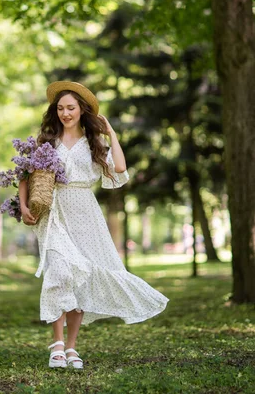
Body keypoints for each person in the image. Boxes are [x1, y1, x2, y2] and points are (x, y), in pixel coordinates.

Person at [18, 81, 169, 370]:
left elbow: (120, 169)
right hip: (54, 214)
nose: (65, 113)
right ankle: (57, 345)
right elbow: (26, 175)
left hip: (86, 214)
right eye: (60, 108)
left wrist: (109, 132)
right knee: (59, 272)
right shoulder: (47, 140)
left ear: (81, 110)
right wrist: (25, 206)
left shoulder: (94, 143)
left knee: (81, 278)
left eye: (70, 108)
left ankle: (72, 347)